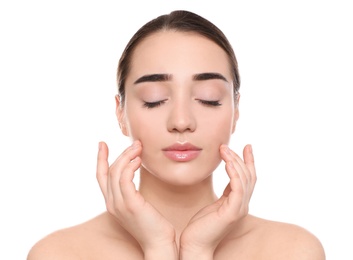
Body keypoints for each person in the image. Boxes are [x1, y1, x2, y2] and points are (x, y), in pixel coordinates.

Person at [27, 10, 325, 259]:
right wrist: (157, 248)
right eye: (154, 99)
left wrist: (197, 248)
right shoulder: (59, 253)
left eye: (209, 98)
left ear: (235, 111)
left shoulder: (293, 250)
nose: (181, 121)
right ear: (121, 113)